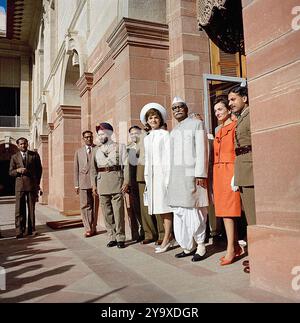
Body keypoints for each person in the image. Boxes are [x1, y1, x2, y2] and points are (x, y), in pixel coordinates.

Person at [168, 97, 209, 262]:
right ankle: (188, 246)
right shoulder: (174, 130)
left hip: (192, 177)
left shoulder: (196, 124)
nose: (177, 110)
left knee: (194, 211)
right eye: (174, 108)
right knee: (180, 212)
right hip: (176, 179)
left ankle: (200, 246)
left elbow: (202, 150)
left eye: (180, 107)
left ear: (186, 108)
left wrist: (200, 173)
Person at [228, 84, 256, 273]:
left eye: (233, 99)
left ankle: (259, 257)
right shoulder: (240, 117)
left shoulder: (251, 114)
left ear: (244, 98)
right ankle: (256, 255)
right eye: (229, 100)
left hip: (251, 168)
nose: (230, 103)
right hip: (244, 169)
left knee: (254, 218)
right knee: (249, 217)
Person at [140, 103, 175, 253]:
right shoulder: (147, 138)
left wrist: (167, 180)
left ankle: (167, 237)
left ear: (160, 119)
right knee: (159, 208)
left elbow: (168, 158)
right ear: (147, 121)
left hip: (163, 175)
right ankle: (169, 235)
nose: (153, 120)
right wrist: (147, 178)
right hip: (152, 177)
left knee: (165, 207)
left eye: (155, 117)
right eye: (150, 118)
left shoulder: (165, 135)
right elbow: (147, 160)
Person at [212, 96, 242, 265]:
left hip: (230, 170)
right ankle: (235, 245)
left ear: (229, 109)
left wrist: (236, 174)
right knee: (224, 211)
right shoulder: (219, 129)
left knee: (230, 211)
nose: (217, 113)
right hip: (218, 172)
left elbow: (238, 151)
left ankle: (231, 248)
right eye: (215, 110)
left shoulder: (235, 125)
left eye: (220, 109)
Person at [90, 123, 129, 249]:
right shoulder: (95, 150)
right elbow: (93, 169)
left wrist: (126, 181)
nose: (100, 137)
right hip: (101, 182)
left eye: (102, 134)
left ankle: (120, 237)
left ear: (109, 133)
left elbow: (126, 165)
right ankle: (111, 236)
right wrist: (94, 185)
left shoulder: (120, 147)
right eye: (99, 135)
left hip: (116, 181)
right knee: (106, 212)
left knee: (118, 211)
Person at [135, 126, 165, 245]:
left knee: (159, 204)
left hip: (157, 172)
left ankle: (163, 233)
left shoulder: (161, 134)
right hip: (143, 173)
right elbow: (136, 152)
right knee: (145, 206)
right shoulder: (141, 137)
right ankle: (149, 233)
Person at [9, 137, 42, 238]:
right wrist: (17, 171)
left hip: (31, 185)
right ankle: (19, 231)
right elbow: (10, 172)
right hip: (19, 186)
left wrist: (37, 184)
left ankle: (31, 230)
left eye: (25, 143)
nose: (23, 145)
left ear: (27, 144)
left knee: (31, 208)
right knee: (19, 209)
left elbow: (39, 170)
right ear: (18, 146)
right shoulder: (14, 157)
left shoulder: (34, 155)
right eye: (21, 144)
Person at [74, 130, 99, 237]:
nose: (89, 139)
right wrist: (76, 184)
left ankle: (94, 227)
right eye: (86, 137)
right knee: (85, 205)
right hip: (83, 182)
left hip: (96, 182)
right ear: (83, 139)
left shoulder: (98, 149)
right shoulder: (78, 152)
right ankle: (88, 228)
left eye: (90, 137)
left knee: (95, 205)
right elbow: (75, 169)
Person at [126, 126, 145, 242]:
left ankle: (148, 230)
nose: (134, 135)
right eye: (131, 134)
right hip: (132, 182)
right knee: (136, 207)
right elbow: (125, 167)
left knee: (145, 206)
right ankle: (141, 230)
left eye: (136, 133)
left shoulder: (143, 146)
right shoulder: (128, 148)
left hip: (142, 180)